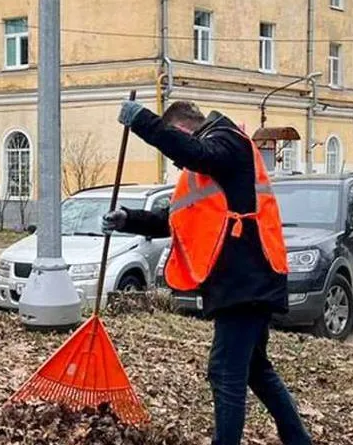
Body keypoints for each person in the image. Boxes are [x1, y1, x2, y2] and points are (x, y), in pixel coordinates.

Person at [104, 101, 312, 445]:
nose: (177, 162)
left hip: (246, 281)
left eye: (175, 145)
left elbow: (194, 153)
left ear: (182, 130)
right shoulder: (210, 164)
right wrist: (128, 219)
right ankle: (298, 439)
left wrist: (142, 121)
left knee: (225, 372)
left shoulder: (227, 141)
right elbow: (174, 219)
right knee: (255, 370)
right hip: (245, 280)